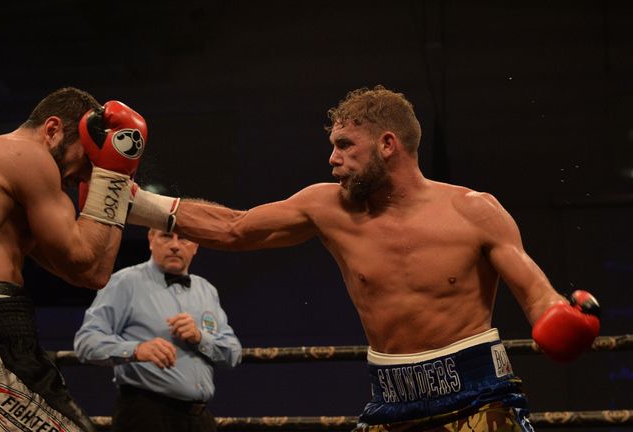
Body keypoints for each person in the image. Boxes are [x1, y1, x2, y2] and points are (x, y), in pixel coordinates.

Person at [120, 86, 601, 431]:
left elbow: (537, 296)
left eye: (345, 146)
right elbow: (235, 228)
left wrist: (560, 318)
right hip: (390, 404)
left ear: (388, 145)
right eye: (333, 146)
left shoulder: (474, 211)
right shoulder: (328, 206)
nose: (333, 159)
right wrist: (133, 204)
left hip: (479, 403)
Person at [0, 87, 150, 432]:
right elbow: (92, 266)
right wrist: (112, 174)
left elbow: (82, 274)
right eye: (83, 161)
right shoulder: (26, 154)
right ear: (52, 129)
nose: (77, 179)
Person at [74, 228, 242, 432]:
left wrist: (200, 338)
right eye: (166, 236)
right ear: (151, 239)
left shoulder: (206, 290)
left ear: (196, 246)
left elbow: (233, 354)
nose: (174, 245)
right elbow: (86, 342)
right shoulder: (125, 282)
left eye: (183, 238)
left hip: (199, 419)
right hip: (145, 415)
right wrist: (136, 350)